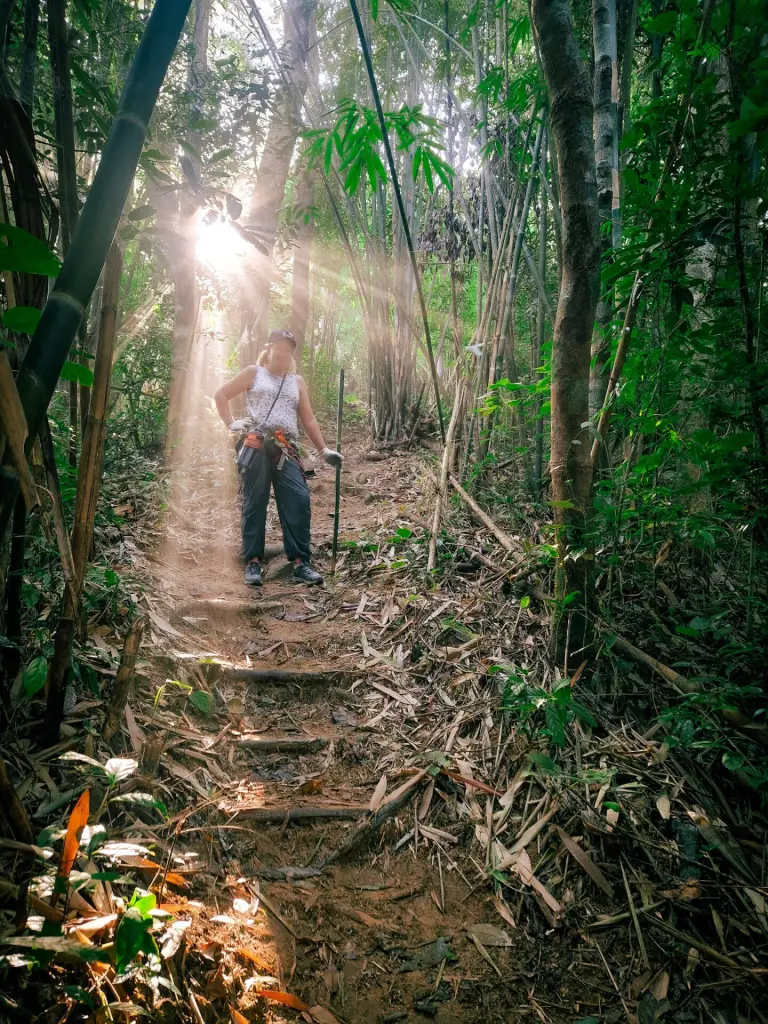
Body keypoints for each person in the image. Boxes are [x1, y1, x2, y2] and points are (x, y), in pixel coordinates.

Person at [214, 328, 343, 586]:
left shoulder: (297, 381)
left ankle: (300, 563)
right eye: (279, 347)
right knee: (255, 501)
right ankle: (252, 562)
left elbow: (307, 418)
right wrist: (231, 424)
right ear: (269, 348)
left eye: (289, 349)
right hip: (256, 446)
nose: (283, 352)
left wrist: (323, 450)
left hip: (286, 447)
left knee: (298, 499)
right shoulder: (254, 373)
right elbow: (221, 394)